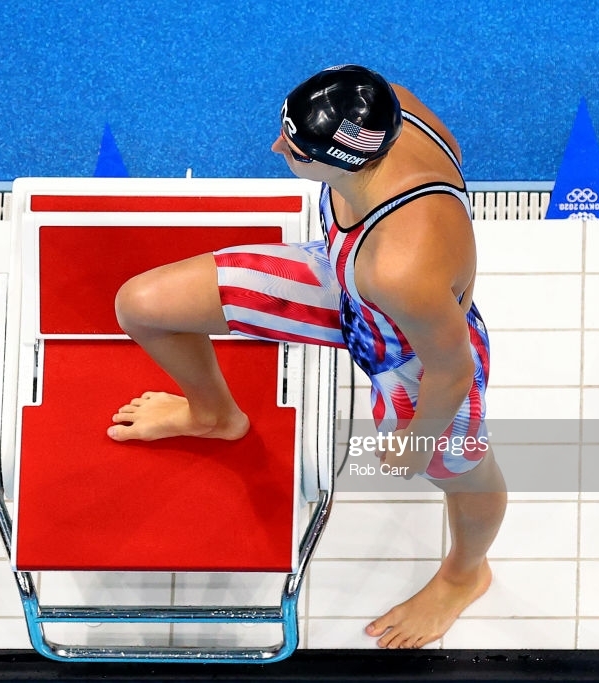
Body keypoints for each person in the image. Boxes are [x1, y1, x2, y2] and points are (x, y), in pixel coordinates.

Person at [106, 64, 507, 650]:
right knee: (141, 305)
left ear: (342, 161)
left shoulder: (400, 267)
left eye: (293, 149)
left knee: (466, 477)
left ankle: (463, 575)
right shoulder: (393, 105)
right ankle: (215, 416)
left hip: (412, 358)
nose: (276, 147)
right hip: (349, 284)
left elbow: (452, 370)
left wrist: (415, 442)